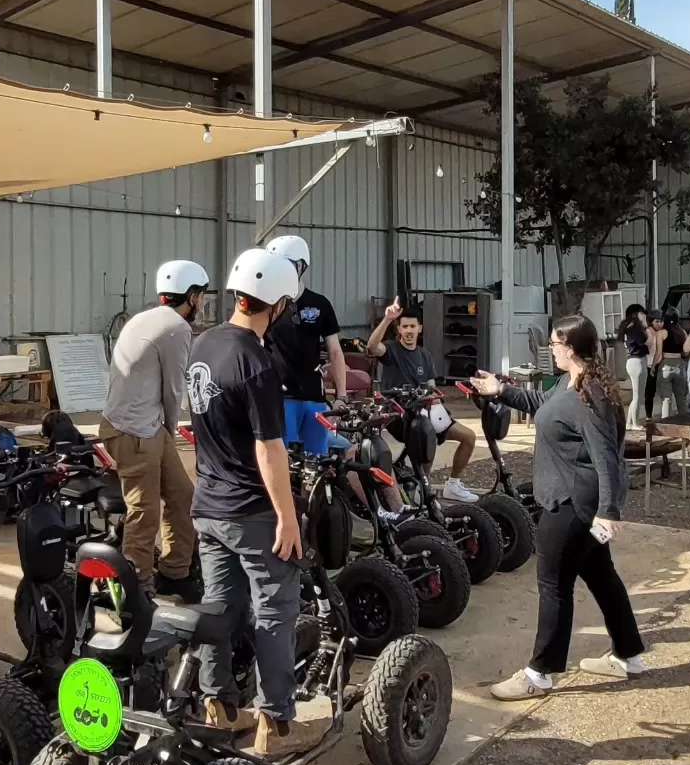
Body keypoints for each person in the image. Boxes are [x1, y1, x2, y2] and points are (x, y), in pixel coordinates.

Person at [187, 247, 326, 758]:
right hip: (250, 509)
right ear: (280, 304)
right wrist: (288, 518)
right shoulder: (256, 362)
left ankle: (217, 706)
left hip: (208, 504)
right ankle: (275, 724)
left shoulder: (203, 345)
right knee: (275, 610)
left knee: (218, 607)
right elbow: (268, 449)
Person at [472, 314, 647, 701]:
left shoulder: (591, 397)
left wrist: (609, 510)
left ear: (568, 348)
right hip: (576, 503)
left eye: (553, 343)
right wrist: (496, 389)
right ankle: (629, 656)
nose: (549, 349)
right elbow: (538, 402)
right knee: (602, 576)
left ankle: (539, 673)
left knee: (553, 585)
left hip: (573, 507)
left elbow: (607, 458)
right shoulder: (571, 383)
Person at [98, 259, 208, 600]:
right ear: (191, 297)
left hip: (141, 426)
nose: (202, 304)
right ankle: (137, 587)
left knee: (181, 495)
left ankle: (174, 572)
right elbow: (175, 387)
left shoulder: (144, 318)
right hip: (136, 432)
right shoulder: (176, 327)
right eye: (201, 297)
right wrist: (177, 429)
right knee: (144, 511)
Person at [365, 297, 477, 498]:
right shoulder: (391, 350)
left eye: (412, 326)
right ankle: (422, 490)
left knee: (468, 437)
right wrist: (387, 319)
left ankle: (453, 485)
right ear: (399, 329)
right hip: (399, 416)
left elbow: (432, 387)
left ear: (420, 328)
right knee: (427, 436)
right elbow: (373, 346)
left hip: (426, 412)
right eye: (404, 326)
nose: (408, 330)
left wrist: (434, 399)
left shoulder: (425, 355)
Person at [262, 235, 352, 457]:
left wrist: (341, 396)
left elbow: (335, 351)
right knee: (283, 461)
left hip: (314, 398)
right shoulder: (265, 304)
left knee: (317, 460)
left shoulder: (320, 304)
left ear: (301, 265)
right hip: (279, 399)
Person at [618, 303, 648, 429]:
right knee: (638, 395)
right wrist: (647, 329)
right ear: (636, 314)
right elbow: (646, 343)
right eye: (642, 313)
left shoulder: (628, 327)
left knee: (637, 395)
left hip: (632, 361)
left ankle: (630, 422)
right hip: (637, 361)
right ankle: (635, 423)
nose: (644, 316)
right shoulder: (635, 329)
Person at [654, 306, 687, 417]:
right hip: (680, 365)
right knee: (681, 397)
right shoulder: (683, 332)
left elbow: (658, 354)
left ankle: (666, 424)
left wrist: (653, 366)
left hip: (666, 365)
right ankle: (685, 422)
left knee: (666, 398)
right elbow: (686, 352)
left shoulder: (662, 333)